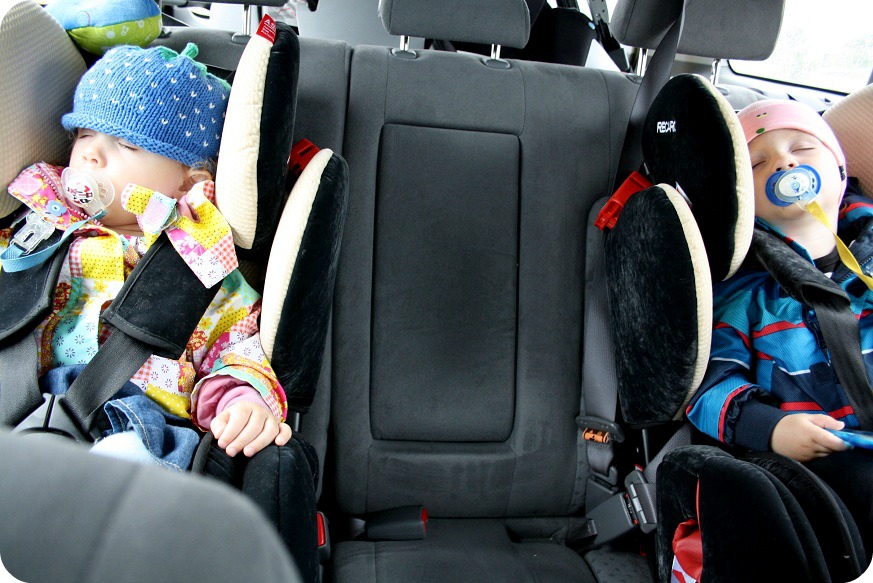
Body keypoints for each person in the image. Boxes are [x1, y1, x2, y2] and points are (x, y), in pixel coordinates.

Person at [0, 43, 291, 471]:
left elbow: (236, 346)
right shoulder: (37, 227)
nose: (91, 154)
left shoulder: (200, 264)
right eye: (84, 135)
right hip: (18, 398)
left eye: (125, 144)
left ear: (185, 183)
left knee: (129, 459)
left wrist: (242, 401)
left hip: (133, 420)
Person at [686, 99, 873, 550]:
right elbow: (708, 388)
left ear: (840, 171)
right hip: (823, 460)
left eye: (803, 148)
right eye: (758, 162)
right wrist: (770, 428)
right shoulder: (744, 296)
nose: (785, 163)